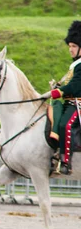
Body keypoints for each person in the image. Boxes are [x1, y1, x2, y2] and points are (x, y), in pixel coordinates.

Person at [41, 21, 81, 175]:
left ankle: (66, 162)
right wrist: (57, 87)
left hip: (78, 104)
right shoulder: (75, 65)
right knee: (53, 120)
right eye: (69, 46)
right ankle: (55, 155)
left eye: (74, 46)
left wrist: (55, 93)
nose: (70, 50)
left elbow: (75, 87)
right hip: (70, 103)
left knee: (66, 125)